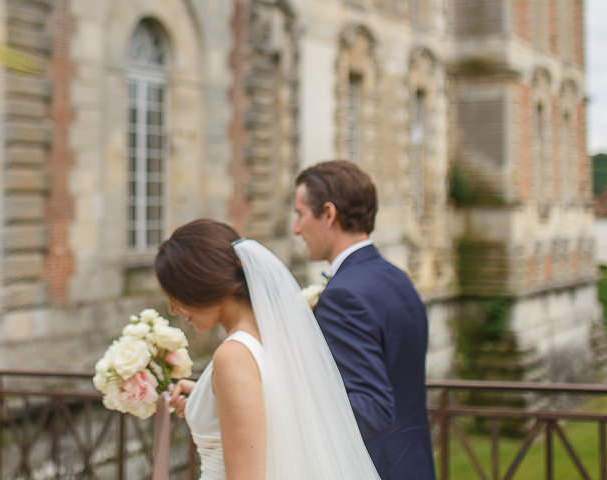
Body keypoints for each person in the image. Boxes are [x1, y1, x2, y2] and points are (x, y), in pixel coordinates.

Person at [156, 219, 381, 480]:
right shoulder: (272, 339)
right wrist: (204, 397)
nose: (173, 309)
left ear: (199, 284)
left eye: (174, 295)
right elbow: (274, 407)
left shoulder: (233, 356)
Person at [292, 160, 436, 480]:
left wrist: (288, 406)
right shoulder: (397, 278)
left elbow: (371, 408)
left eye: (300, 214)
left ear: (328, 214)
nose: (296, 229)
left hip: (373, 467)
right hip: (413, 464)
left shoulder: (343, 297)